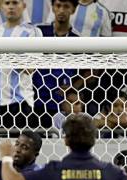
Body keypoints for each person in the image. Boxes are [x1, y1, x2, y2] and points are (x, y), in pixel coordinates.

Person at [0, 0, 42, 132]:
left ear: (24, 6)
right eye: (7, 3)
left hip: (19, 103)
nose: (11, 7)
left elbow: (30, 68)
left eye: (15, 3)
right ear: (2, 7)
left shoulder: (32, 32)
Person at [34, 0, 79, 128]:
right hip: (36, 100)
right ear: (53, 7)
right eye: (58, 6)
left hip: (62, 104)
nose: (61, 10)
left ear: (73, 9)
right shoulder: (39, 32)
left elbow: (88, 71)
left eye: (66, 6)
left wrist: (72, 88)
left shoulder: (77, 40)